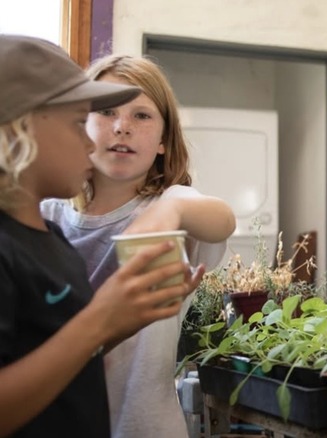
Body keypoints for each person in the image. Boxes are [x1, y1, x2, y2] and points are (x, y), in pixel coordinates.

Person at [0, 34, 204, 437]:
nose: (100, 136)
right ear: (21, 130)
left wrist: (114, 326)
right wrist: (99, 323)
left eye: (141, 116)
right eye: (82, 121)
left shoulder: (52, 240)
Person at [41, 54, 236, 437]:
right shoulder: (46, 213)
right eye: (107, 111)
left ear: (164, 141)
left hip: (143, 426)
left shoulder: (174, 204)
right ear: (82, 125)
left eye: (141, 116)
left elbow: (222, 220)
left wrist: (173, 209)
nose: (122, 127)